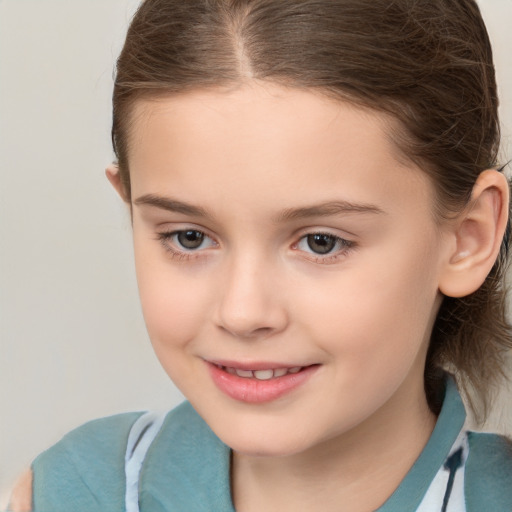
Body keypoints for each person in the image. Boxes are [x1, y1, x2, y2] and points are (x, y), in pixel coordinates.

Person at [8, 0, 512, 510]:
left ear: (467, 238)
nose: (243, 312)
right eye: (188, 237)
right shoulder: (70, 493)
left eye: (322, 242)